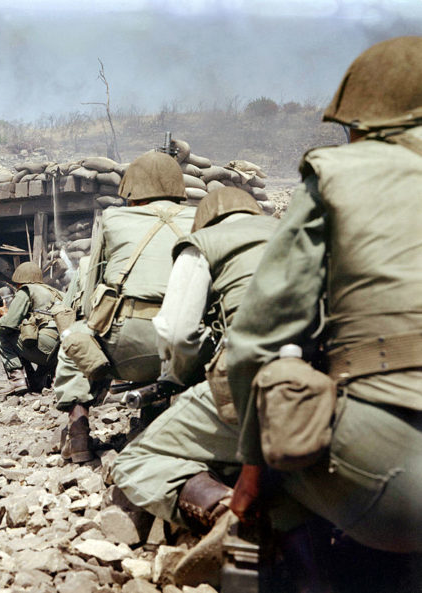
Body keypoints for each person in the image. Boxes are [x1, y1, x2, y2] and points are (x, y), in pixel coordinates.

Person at [227, 36, 422, 556]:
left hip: (400, 482)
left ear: (366, 123)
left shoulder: (341, 174)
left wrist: (253, 463)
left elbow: (257, 338)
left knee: (280, 452)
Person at [111, 187, 278, 586]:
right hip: (328, 385)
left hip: (255, 387)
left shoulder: (202, 244)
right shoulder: (297, 229)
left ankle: (226, 514)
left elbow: (178, 333)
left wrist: (179, 378)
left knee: (134, 461)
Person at [53, 150, 196, 463]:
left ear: (133, 191)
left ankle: (78, 433)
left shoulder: (114, 218)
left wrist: (91, 333)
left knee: (75, 338)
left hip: (125, 341)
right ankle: (157, 426)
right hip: (184, 347)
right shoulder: (199, 218)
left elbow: (93, 286)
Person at [0, 261, 63, 396]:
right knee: (34, 334)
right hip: (62, 351)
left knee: (4, 334)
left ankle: (17, 381)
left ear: (20, 281)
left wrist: (4, 314)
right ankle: (43, 381)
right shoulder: (56, 292)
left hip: (45, 348)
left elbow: (8, 324)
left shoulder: (26, 290)